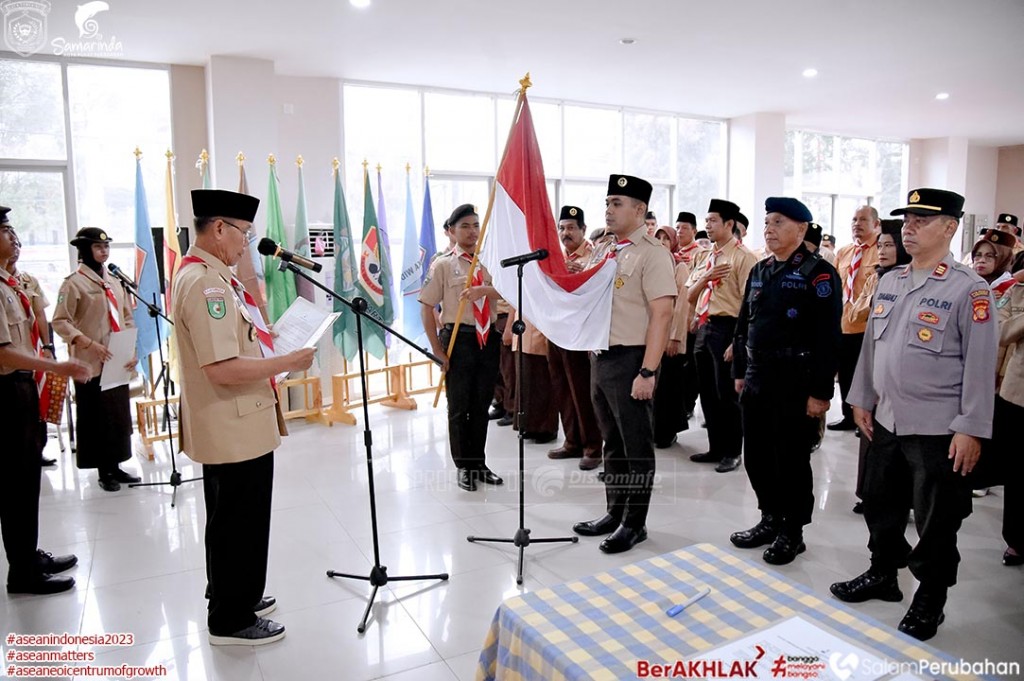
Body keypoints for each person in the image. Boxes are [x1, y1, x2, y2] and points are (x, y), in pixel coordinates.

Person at [832, 188, 997, 642]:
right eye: (906, 219)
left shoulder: (969, 289)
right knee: (880, 504)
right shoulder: (890, 280)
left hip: (938, 429)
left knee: (936, 520)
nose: (908, 227)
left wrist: (971, 428)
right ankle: (883, 572)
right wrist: (860, 396)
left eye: (923, 220)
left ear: (950, 227)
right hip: (884, 420)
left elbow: (981, 367)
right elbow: (871, 347)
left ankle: (931, 597)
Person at [173, 189, 315, 646]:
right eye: (243, 235)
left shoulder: (206, 273)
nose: (245, 246)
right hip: (233, 423)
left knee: (232, 518)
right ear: (219, 229)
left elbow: (232, 341)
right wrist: (286, 359)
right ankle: (231, 619)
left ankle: (233, 593)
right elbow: (222, 367)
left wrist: (268, 339)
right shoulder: (208, 284)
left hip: (231, 421)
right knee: (240, 519)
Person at [729, 198, 842, 565]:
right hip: (758, 377)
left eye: (779, 222)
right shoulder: (761, 270)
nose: (769, 229)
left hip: (796, 380)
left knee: (790, 460)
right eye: (767, 222)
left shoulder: (819, 274)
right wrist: (739, 372)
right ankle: (769, 518)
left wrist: (821, 393)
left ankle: (792, 531)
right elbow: (744, 323)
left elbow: (829, 338)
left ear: (801, 229)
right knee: (757, 456)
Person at [572, 175, 675, 553]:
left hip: (633, 358)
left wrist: (647, 371)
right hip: (602, 357)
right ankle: (614, 512)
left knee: (636, 447)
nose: (609, 210)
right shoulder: (606, 250)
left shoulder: (652, 253)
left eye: (617, 203)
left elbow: (662, 315)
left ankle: (635, 523)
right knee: (611, 442)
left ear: (639, 210)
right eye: (607, 203)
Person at [0, 206, 90, 595]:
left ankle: (28, 554)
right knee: (14, 483)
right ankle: (21, 572)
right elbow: (4, 355)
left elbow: (36, 328)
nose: (15, 240)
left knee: (26, 479)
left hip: (22, 390)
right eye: (7, 233)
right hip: (6, 392)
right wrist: (57, 368)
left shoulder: (15, 284)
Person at [420, 204, 503, 492]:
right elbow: (427, 306)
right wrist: (437, 350)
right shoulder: (442, 264)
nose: (472, 231)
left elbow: (505, 292)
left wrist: (484, 291)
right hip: (458, 338)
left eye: (476, 225)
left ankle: (479, 462)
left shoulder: (489, 262)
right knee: (459, 407)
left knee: (481, 405)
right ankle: (463, 466)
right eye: (465, 226)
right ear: (452, 231)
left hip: (487, 338)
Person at [51, 228, 140, 492]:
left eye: (106, 247)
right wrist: (88, 343)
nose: (104, 251)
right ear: (84, 250)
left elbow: (126, 316)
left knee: (117, 415)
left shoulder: (114, 281)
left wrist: (130, 349)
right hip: (90, 361)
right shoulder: (73, 283)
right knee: (96, 416)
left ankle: (117, 464)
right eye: (98, 247)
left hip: (116, 360)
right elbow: (60, 321)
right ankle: (104, 470)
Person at [687, 199, 758, 473]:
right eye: (706, 221)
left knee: (727, 394)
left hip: (730, 328)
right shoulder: (706, 256)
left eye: (713, 221)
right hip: (706, 327)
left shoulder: (743, 257)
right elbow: (690, 294)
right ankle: (715, 446)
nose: (707, 225)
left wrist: (736, 342)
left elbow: (749, 305)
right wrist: (706, 278)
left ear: (729, 224)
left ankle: (732, 451)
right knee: (707, 392)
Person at [846, 219, 911, 514]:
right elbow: (857, 312)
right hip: (871, 358)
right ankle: (868, 494)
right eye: (881, 245)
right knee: (870, 438)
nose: (883, 251)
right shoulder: (878, 278)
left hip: (903, 378)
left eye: (889, 245)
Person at [547, 206, 603, 470]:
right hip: (556, 328)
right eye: (562, 228)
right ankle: (572, 441)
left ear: (582, 229)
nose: (565, 233)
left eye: (571, 228)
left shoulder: (594, 256)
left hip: (581, 332)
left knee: (582, 390)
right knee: (562, 387)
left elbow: (597, 291)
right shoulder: (554, 257)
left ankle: (593, 446)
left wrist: (579, 273)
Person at [829, 206, 881, 432]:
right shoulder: (844, 252)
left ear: (876, 224)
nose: (857, 223)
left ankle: (866, 418)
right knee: (847, 373)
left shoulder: (880, 250)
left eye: (863, 219)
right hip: (843, 324)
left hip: (867, 326)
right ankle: (848, 416)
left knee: (867, 377)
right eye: (854, 219)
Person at [8, 241, 58, 467]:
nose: (15, 248)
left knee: (40, 399)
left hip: (34, 349)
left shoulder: (28, 281)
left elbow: (40, 315)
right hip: (13, 355)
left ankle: (39, 447)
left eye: (19, 244)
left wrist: (47, 348)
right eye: (11, 242)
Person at [652, 226, 691, 448]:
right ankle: (656, 428)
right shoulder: (656, 265)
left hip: (670, 337)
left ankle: (668, 431)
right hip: (653, 335)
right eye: (658, 237)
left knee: (669, 386)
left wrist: (675, 337)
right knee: (657, 385)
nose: (662, 241)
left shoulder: (680, 266)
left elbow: (682, 304)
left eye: (666, 238)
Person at [997, 279, 1024, 566]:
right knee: (1018, 473)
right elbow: (1000, 331)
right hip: (1019, 395)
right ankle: (1016, 540)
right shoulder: (1016, 290)